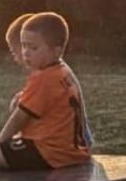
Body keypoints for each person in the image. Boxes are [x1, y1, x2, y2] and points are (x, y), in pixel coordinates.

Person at [0, 11, 91, 170]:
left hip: (50, 153)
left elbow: (19, 118)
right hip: (71, 151)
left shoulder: (43, 79)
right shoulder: (62, 72)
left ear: (56, 51)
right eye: (23, 46)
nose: (25, 52)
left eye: (33, 47)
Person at [5, 12, 92, 151]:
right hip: (79, 139)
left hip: (68, 142)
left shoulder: (48, 75)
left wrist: (0, 142)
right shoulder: (56, 68)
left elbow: (22, 116)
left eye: (14, 51)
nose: (16, 57)